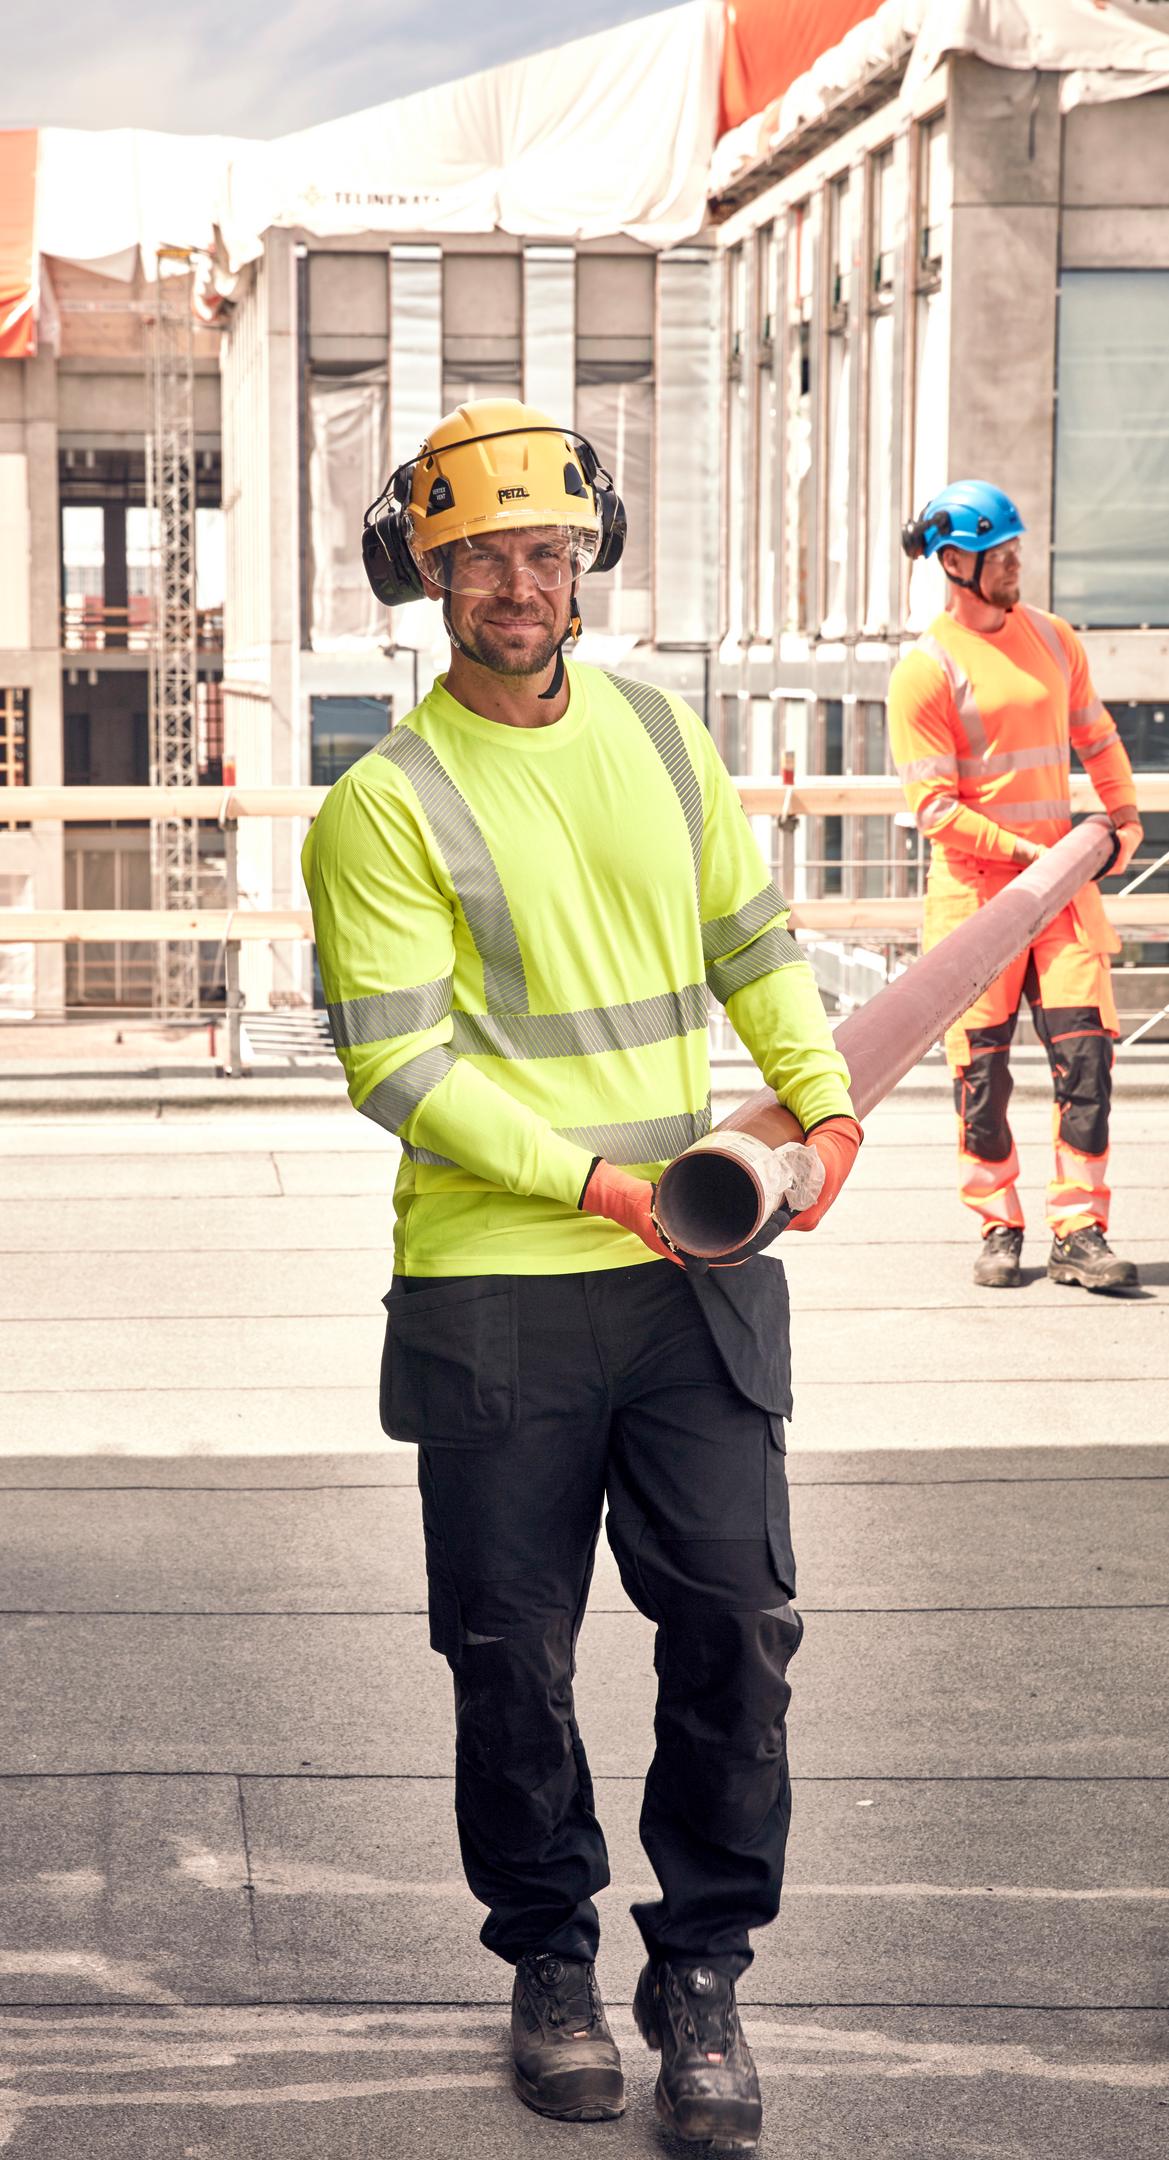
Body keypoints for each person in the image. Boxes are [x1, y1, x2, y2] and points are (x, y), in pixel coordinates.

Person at [303, 399, 863, 2148]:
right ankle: (547, 1958)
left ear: (586, 561)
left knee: (732, 1621)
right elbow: (399, 1067)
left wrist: (827, 1111)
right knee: (511, 1649)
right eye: (482, 559)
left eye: (547, 553)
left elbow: (749, 944)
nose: (520, 586)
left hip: (694, 1263)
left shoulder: (663, 736)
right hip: (498, 1281)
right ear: (433, 578)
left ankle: (699, 1969)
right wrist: (593, 1181)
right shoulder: (382, 807)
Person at [891, 481, 1143, 1291]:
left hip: (1062, 896)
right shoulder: (924, 671)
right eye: (1000, 554)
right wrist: (1027, 858)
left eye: (1016, 550)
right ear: (955, 563)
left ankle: (1080, 1228)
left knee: (1087, 1061)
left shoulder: (1054, 639)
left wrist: (1125, 818)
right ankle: (999, 1224)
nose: (1015, 564)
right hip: (977, 902)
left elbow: (1098, 740)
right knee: (982, 1076)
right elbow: (933, 809)